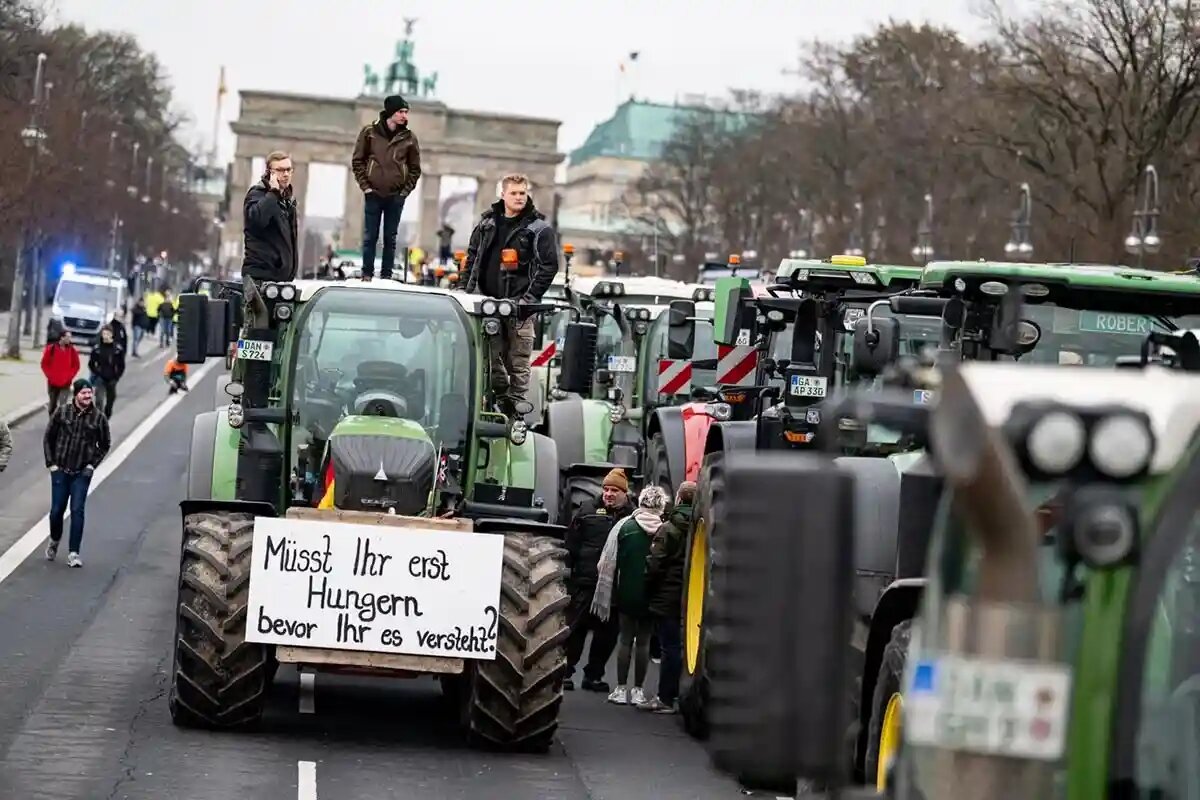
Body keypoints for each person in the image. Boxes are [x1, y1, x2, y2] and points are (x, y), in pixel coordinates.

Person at [463, 174, 560, 413]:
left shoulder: (538, 229)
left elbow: (550, 266)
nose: (519, 197)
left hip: (519, 309)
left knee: (518, 366)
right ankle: (498, 402)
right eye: (514, 192)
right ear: (502, 194)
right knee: (490, 362)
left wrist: (528, 299)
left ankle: (515, 414)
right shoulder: (486, 225)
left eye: (523, 192)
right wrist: (463, 291)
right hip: (486, 305)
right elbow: (472, 259)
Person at [593, 485, 668, 706]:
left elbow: (606, 563)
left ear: (642, 502)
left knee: (625, 640)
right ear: (661, 505)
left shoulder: (624, 527)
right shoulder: (664, 529)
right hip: (652, 596)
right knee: (643, 643)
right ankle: (638, 690)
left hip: (626, 593)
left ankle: (620, 688)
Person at [563, 468, 633, 692]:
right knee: (575, 631)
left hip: (613, 587)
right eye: (606, 489)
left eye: (614, 490)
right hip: (585, 582)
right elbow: (571, 544)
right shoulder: (587, 510)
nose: (609, 494)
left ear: (625, 493)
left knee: (607, 635)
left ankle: (593, 676)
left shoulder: (632, 516)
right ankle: (565, 672)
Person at [639, 481, 695, 713]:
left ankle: (664, 698)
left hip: (667, 595)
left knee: (669, 648)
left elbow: (655, 563)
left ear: (679, 499)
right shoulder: (700, 525)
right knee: (684, 648)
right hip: (691, 597)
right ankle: (682, 695)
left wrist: (647, 585)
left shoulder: (669, 528)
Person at [351, 95, 421, 281]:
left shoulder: (409, 138)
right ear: (390, 112)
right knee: (370, 236)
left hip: (395, 196)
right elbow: (358, 161)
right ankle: (367, 274)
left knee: (390, 238)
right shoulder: (369, 132)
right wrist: (365, 187)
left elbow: (415, 169)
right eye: (401, 112)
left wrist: (404, 193)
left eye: (406, 112)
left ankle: (386, 275)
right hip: (373, 193)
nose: (404, 116)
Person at [43, 378, 111, 568]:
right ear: (76, 394)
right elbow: (49, 437)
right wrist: (51, 464)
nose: (88, 396)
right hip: (61, 470)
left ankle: (74, 553)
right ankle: (54, 540)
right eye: (84, 392)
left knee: (77, 510)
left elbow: (105, 444)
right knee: (56, 511)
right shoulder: (62, 412)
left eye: (90, 392)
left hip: (81, 472)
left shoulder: (98, 418)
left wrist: (92, 465)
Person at [242, 150, 299, 284]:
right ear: (269, 173)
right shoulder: (257, 194)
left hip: (282, 280)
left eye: (288, 170)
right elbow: (257, 221)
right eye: (280, 170)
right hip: (260, 278)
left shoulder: (288, 201)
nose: (285, 174)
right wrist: (273, 192)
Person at [88, 325, 125, 418]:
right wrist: (96, 373)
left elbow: (121, 365)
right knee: (99, 400)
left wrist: (117, 376)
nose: (105, 336)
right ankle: (99, 418)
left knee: (111, 398)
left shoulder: (117, 349)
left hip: (112, 378)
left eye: (108, 334)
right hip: (100, 378)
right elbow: (91, 363)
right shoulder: (97, 349)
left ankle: (108, 412)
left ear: (112, 335)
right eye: (104, 334)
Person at [41, 329, 80, 416]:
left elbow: (76, 365)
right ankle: (52, 421)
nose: (69, 339)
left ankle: (61, 423)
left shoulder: (72, 351)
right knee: (52, 404)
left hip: (66, 382)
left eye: (70, 337)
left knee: (63, 404)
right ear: (62, 338)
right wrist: (50, 375)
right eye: (67, 337)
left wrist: (70, 376)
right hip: (52, 382)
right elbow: (44, 364)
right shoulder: (51, 349)